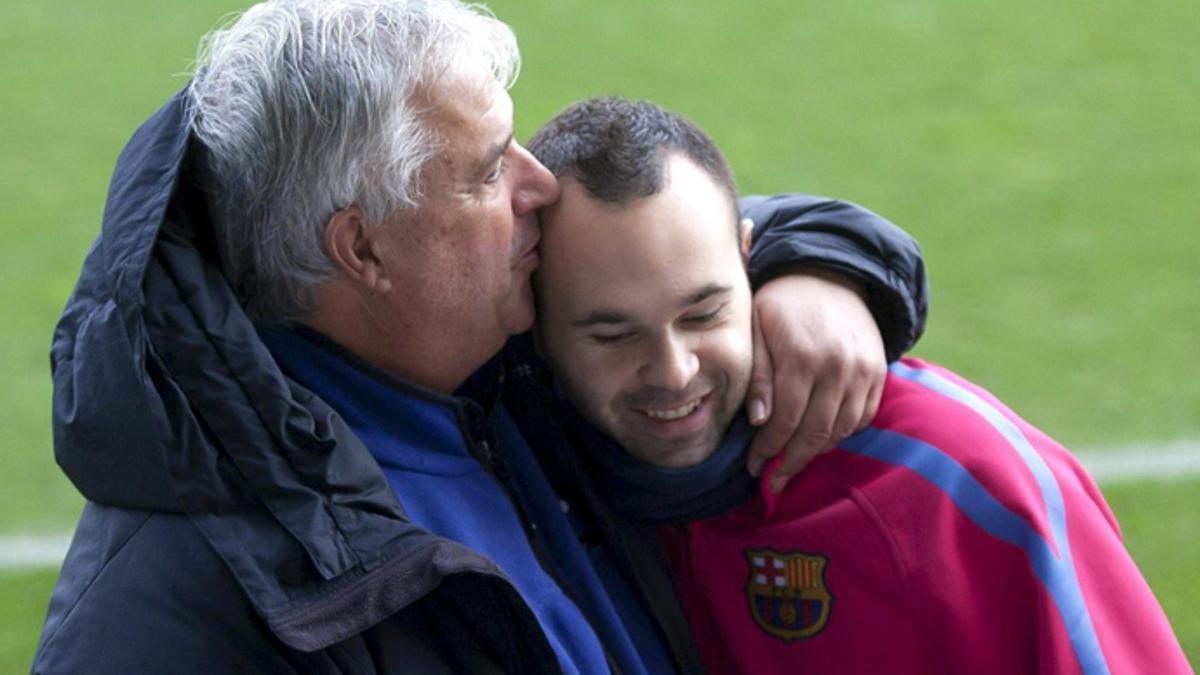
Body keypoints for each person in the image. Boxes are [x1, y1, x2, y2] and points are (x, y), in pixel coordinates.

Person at [33, 2, 929, 673]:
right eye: (492, 168)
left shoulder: (492, 352)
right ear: (364, 250)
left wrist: (821, 268)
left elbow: (671, 246)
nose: (541, 186)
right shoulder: (164, 612)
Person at [529, 97, 1191, 675]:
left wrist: (825, 261)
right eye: (613, 336)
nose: (674, 370)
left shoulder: (961, 479)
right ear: (530, 318)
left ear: (749, 255)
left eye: (704, 314)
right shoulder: (520, 458)